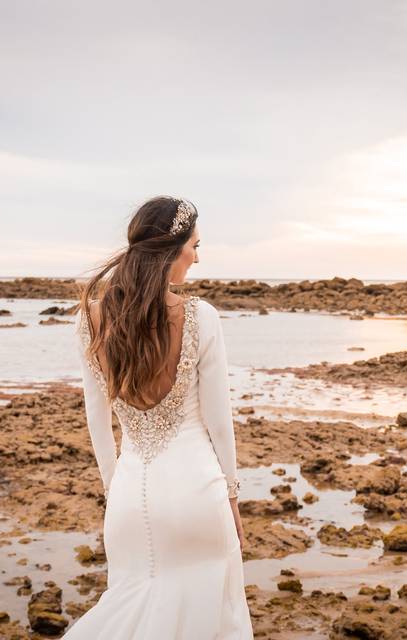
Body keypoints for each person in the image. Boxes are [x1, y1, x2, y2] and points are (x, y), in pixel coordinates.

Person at [63, 196, 254, 639]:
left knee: (130, 615)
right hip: (198, 494)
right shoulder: (200, 316)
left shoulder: (90, 319)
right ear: (173, 249)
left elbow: (98, 420)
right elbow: (219, 422)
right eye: (195, 245)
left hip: (131, 498)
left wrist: (116, 491)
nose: (198, 256)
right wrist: (231, 496)